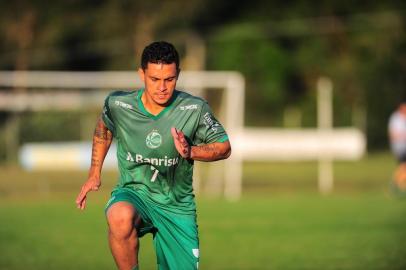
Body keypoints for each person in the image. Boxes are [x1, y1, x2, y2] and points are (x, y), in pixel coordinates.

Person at [75, 41, 231, 270]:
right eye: (154, 79)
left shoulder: (194, 109)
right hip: (135, 194)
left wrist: (191, 151)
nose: (162, 87)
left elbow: (224, 147)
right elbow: (103, 129)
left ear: (178, 74)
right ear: (142, 74)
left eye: (169, 79)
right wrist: (94, 173)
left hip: (176, 206)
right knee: (119, 216)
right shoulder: (119, 104)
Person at [388, 102, 406, 190]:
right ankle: (396, 183)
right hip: (399, 147)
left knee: (403, 167)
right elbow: (393, 134)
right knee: (403, 166)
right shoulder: (395, 119)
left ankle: (399, 184)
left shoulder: (404, 118)